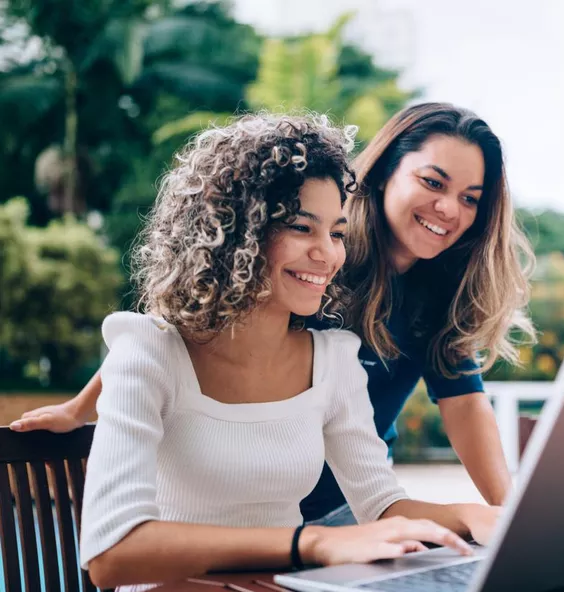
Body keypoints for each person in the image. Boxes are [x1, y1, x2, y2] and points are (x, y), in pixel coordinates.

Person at [12, 102, 535, 527]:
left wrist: (506, 514)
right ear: (383, 175)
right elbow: (179, 329)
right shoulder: (314, 259)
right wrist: (81, 408)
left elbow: (466, 406)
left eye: (471, 198)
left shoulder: (442, 292)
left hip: (350, 500)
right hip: (244, 503)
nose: (449, 209)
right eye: (433, 182)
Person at [79, 113, 497, 592]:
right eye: (302, 227)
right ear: (234, 231)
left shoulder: (335, 360)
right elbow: (111, 556)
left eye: (337, 233)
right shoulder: (149, 352)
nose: (329, 255)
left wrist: (476, 515)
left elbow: (381, 503)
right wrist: (313, 543)